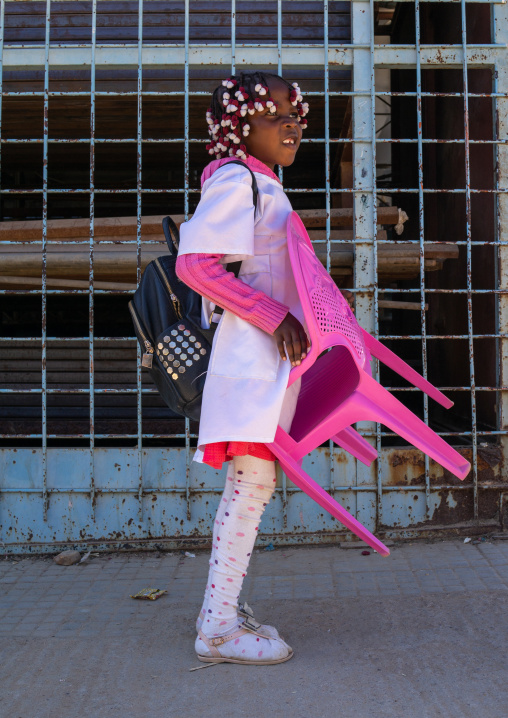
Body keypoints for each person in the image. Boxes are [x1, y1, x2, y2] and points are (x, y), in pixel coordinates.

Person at [176, 71, 311, 666]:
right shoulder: (237, 180)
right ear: (237, 127)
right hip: (250, 360)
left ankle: (221, 614)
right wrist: (273, 313)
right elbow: (198, 266)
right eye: (271, 114)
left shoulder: (264, 183)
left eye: (295, 113)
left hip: (266, 362)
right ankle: (220, 629)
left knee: (251, 487)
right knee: (250, 487)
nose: (290, 124)